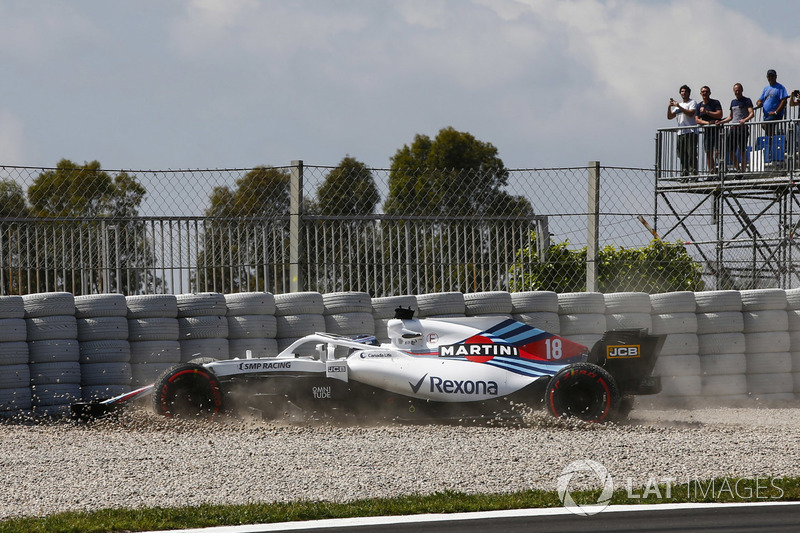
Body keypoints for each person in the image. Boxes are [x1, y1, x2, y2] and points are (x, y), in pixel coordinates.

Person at [719, 83, 754, 174]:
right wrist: (720, 122)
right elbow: (730, 117)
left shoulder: (747, 100)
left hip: (742, 129)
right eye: (735, 90)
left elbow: (751, 113)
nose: (737, 91)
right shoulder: (733, 102)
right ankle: (737, 169)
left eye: (738, 89)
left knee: (742, 150)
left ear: (742, 90)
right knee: (730, 150)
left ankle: (742, 170)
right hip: (733, 129)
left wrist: (745, 120)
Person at [667, 85, 698, 179]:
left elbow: (691, 113)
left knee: (691, 154)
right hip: (681, 133)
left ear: (688, 93)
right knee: (681, 154)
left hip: (691, 131)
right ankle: (684, 174)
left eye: (685, 91)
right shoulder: (678, 106)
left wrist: (679, 106)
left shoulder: (692, 102)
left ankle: (693, 174)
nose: (683, 93)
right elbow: (669, 117)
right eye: (682, 91)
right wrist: (669, 107)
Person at [695, 86, 724, 175]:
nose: (705, 93)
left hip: (716, 130)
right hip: (707, 131)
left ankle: (721, 171)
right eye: (703, 92)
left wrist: (707, 112)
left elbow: (719, 114)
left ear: (710, 93)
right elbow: (697, 120)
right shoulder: (699, 105)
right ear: (700, 94)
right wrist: (708, 123)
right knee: (708, 152)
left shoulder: (715, 102)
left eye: (706, 91)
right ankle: (711, 173)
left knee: (718, 151)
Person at [755, 69, 788, 134]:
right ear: (767, 77)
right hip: (766, 115)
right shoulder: (766, 88)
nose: (770, 78)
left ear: (775, 77)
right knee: (768, 129)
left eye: (772, 76)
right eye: (769, 76)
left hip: (775, 114)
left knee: (764, 125)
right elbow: (760, 100)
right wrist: (758, 103)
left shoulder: (780, 87)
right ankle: (772, 139)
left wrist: (776, 112)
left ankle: (773, 137)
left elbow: (784, 100)